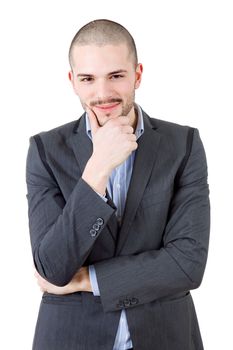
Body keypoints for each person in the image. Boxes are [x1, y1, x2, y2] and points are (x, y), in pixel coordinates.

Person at [26, 19, 210, 350]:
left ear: (137, 74)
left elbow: (187, 264)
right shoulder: (45, 151)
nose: (103, 93)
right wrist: (97, 168)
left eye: (116, 76)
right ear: (73, 82)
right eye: (88, 79)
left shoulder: (183, 144)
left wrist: (85, 279)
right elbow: (53, 269)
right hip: (72, 339)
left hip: (165, 337)